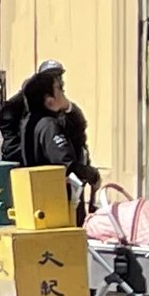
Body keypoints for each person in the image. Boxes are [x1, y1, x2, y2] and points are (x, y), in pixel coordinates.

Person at [11, 61, 95, 198]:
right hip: (58, 199)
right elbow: (67, 163)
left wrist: (68, 107)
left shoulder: (34, 120)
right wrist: (92, 176)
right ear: (49, 101)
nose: (63, 90)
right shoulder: (49, 126)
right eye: (59, 88)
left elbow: (79, 127)